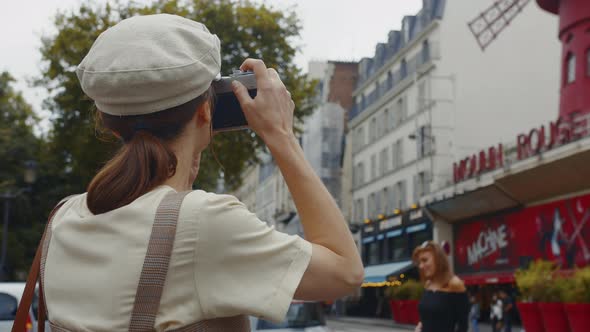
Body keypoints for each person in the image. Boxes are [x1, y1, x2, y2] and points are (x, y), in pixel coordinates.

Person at [40, 14, 364, 331]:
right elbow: (344, 272)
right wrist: (282, 136)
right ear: (206, 110)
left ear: (109, 125)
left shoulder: (62, 218)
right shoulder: (203, 222)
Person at [413, 241, 469, 332]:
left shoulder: (455, 284)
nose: (421, 266)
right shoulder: (428, 284)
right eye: (419, 262)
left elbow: (463, 327)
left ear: (438, 259)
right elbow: (427, 317)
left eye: (425, 260)